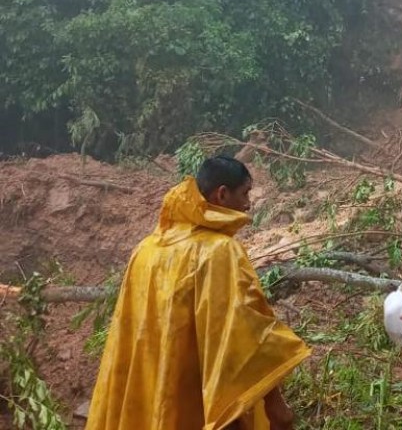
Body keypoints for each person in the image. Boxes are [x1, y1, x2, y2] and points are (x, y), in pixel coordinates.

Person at [86, 156, 310, 430]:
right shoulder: (218, 252)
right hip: (201, 398)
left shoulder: (145, 250)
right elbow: (244, 335)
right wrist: (276, 406)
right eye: (245, 193)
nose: (248, 204)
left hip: (150, 392)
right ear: (222, 194)